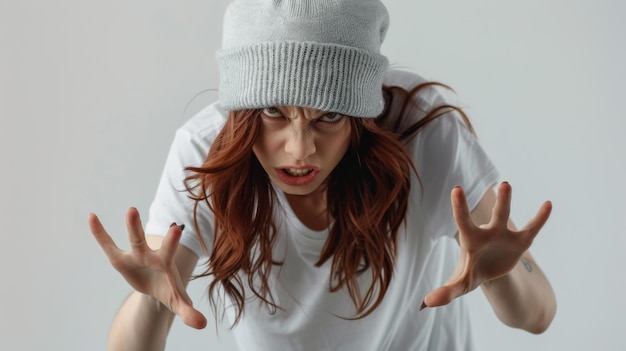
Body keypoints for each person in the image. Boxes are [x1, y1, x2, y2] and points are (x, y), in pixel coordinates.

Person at [88, 0, 557, 350]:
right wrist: (150, 300)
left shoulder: (420, 131)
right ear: (242, 111)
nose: (299, 150)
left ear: (363, 115)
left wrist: (503, 274)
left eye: (328, 117)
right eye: (273, 111)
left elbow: (537, 316)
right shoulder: (205, 150)